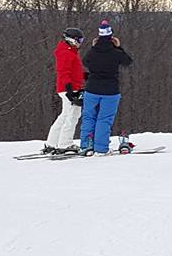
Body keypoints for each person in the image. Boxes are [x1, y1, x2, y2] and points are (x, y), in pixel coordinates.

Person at [80, 20, 133, 155]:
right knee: (104, 119)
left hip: (92, 89)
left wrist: (94, 47)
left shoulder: (93, 52)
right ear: (111, 36)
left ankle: (86, 145)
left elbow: (85, 62)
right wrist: (118, 47)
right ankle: (101, 148)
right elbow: (128, 61)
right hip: (110, 91)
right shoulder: (115, 52)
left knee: (88, 118)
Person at [43, 28, 86, 154]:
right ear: (71, 39)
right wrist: (69, 90)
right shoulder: (66, 53)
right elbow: (64, 72)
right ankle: (65, 144)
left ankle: (52, 143)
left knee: (65, 115)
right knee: (72, 116)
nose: (80, 43)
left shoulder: (69, 51)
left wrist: (84, 76)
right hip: (69, 88)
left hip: (70, 86)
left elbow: (73, 71)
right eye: (79, 40)